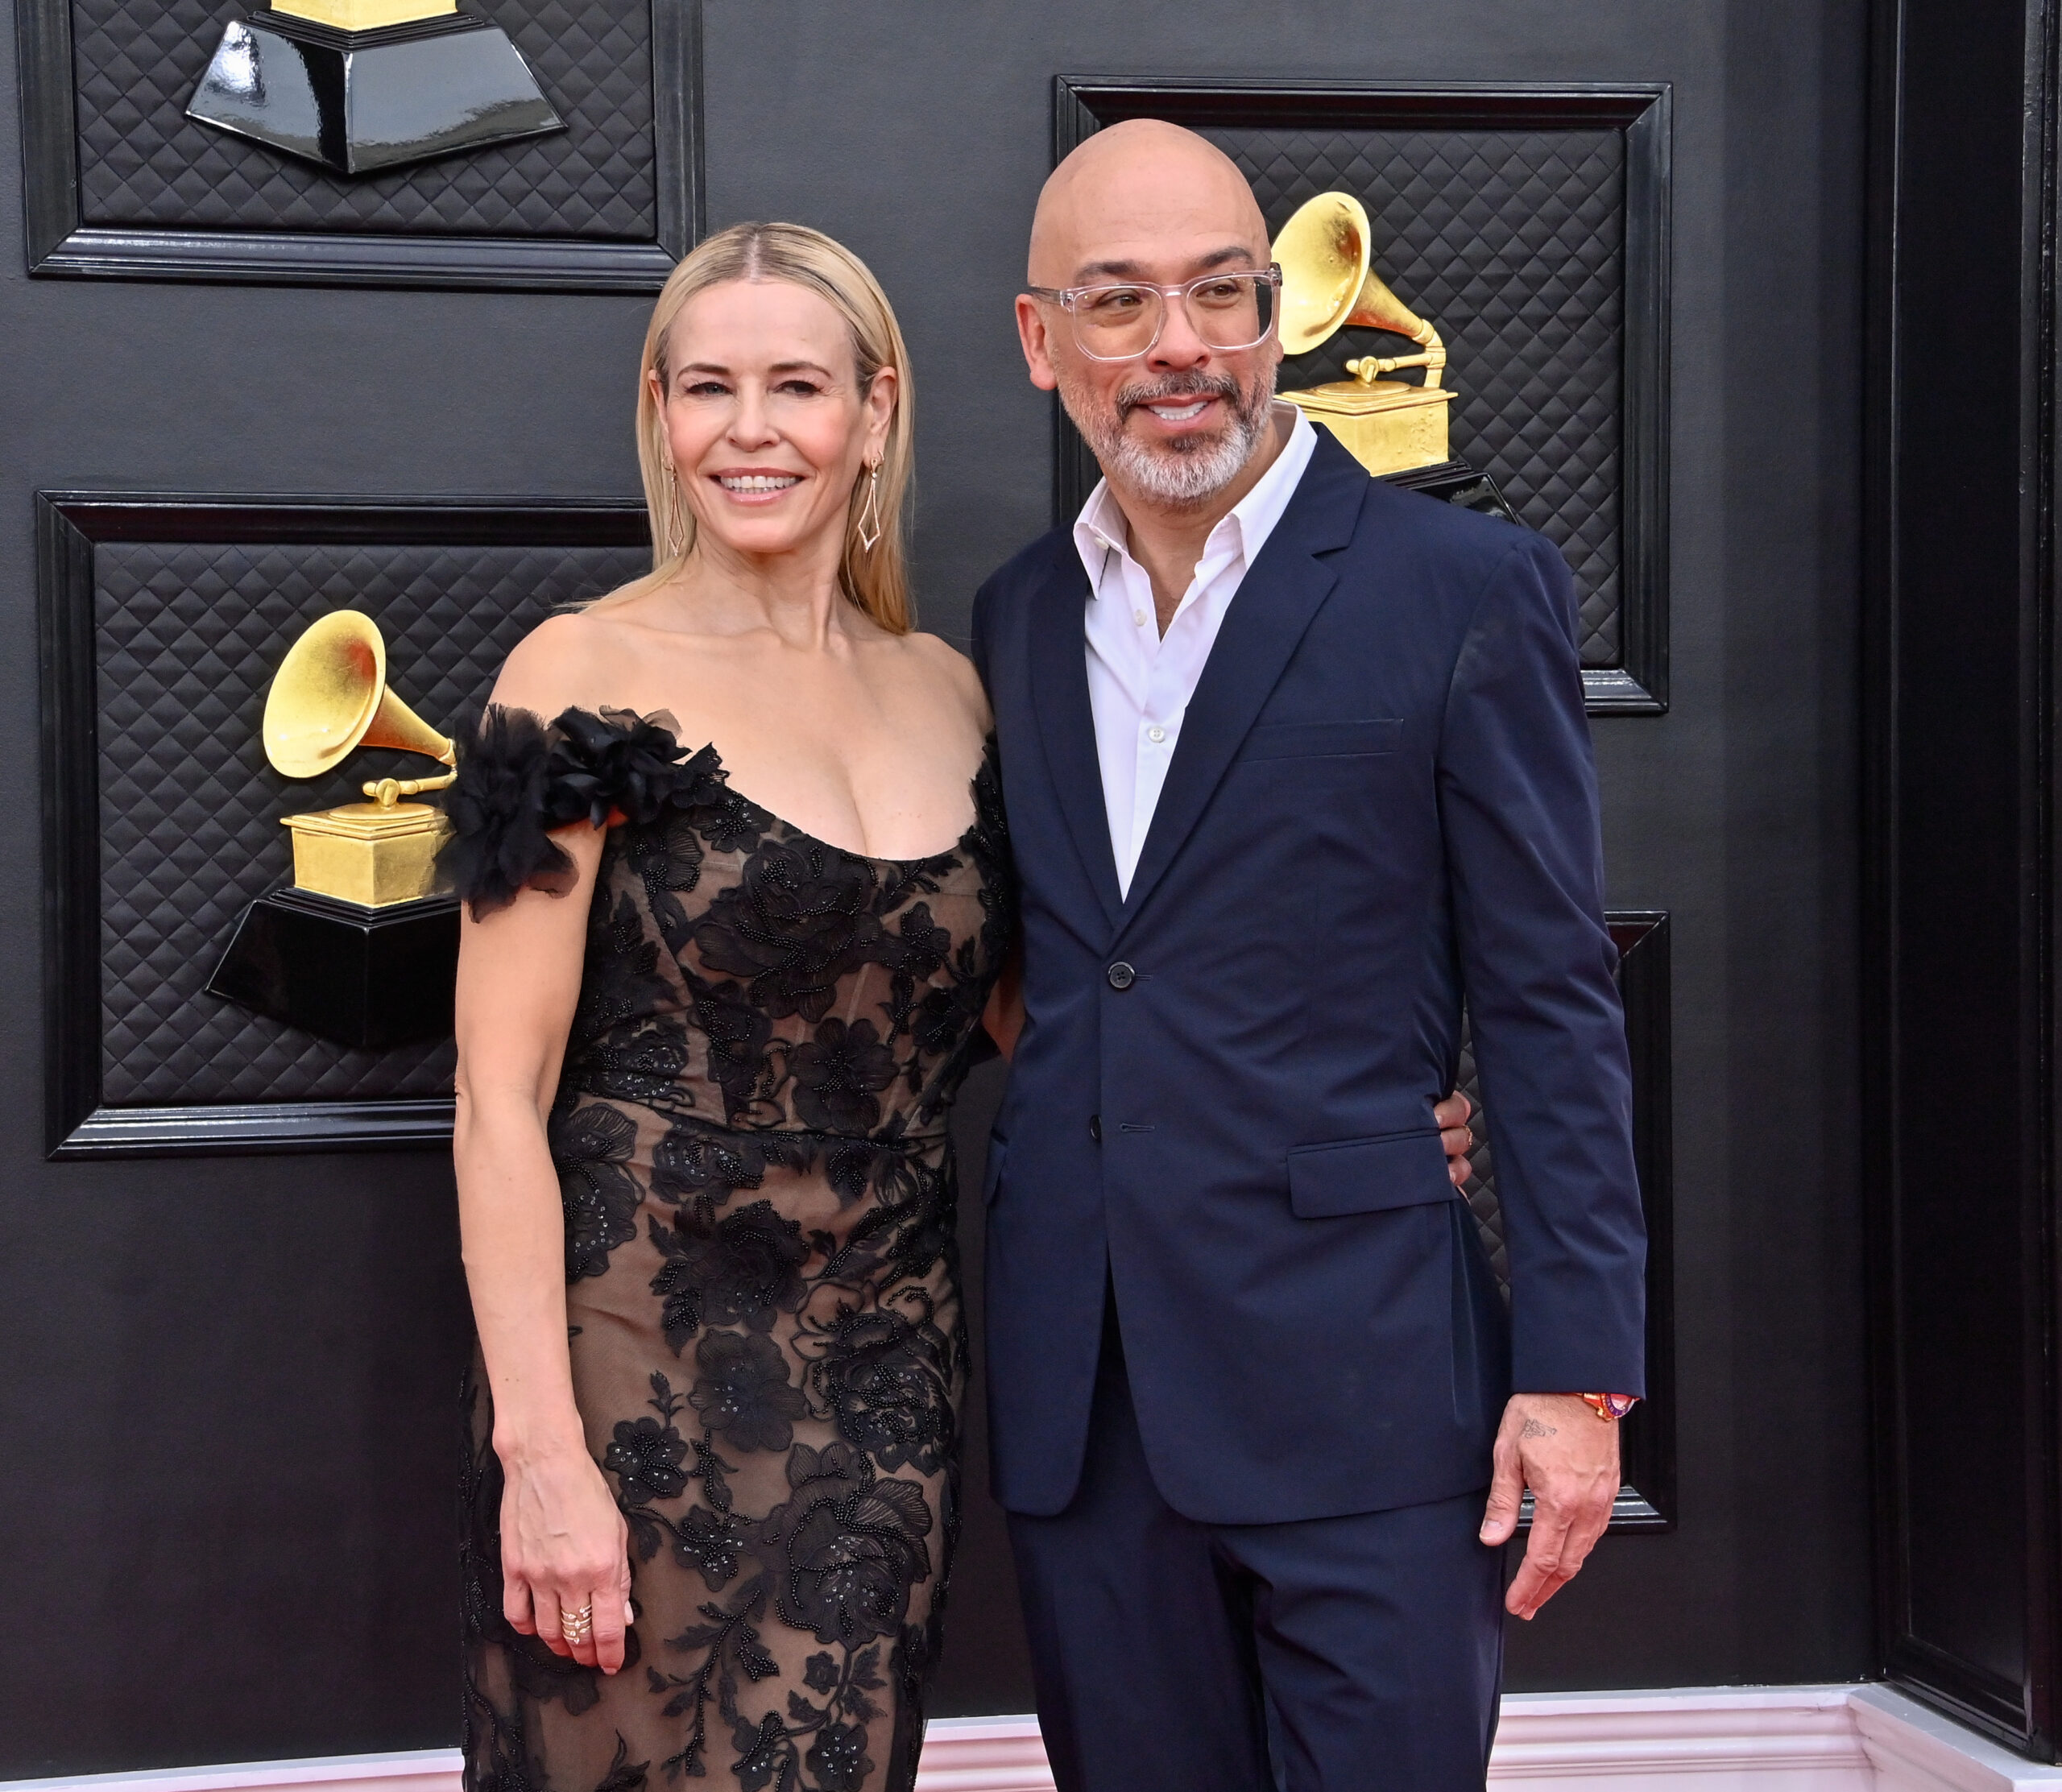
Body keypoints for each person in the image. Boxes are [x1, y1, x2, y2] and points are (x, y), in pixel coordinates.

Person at [445, 219, 1479, 1792]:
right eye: (707, 387)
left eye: (796, 386)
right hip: (634, 1366)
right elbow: (495, 1097)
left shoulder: (953, 686)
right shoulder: (569, 676)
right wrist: (538, 1452)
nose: (749, 430)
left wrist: (1343, 1121)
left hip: (887, 1359)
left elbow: (1063, 1021)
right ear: (661, 413)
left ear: (875, 413)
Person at [971, 120, 1647, 1792]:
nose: (1181, 345)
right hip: (1086, 1406)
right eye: (1119, 302)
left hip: (1370, 1392)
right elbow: (1074, 970)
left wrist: (1579, 1376)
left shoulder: (1464, 587)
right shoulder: (1015, 617)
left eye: (1221, 292)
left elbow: (1550, 1000)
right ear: (1041, 340)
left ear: (1273, 315)